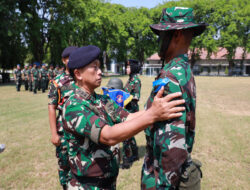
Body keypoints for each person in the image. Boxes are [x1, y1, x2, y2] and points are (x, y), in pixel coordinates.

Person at [62, 45, 185, 189]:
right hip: (85, 185)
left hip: (107, 183)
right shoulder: (74, 105)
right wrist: (152, 115)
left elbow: (128, 117)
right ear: (78, 74)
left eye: (99, 67)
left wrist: (156, 109)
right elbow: (108, 136)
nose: (100, 72)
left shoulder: (100, 99)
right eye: (94, 68)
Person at [141, 7, 208, 190]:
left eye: (162, 34)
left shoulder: (170, 76)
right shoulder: (183, 69)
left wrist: (164, 186)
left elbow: (171, 146)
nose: (159, 40)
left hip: (162, 179)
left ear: (176, 34)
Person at [48, 46, 78, 189]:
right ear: (64, 60)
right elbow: (52, 107)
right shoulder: (57, 82)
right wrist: (54, 134)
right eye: (69, 58)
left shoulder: (81, 77)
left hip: (83, 129)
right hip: (64, 132)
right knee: (65, 167)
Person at [122, 59, 141, 168]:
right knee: (129, 135)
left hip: (132, 110)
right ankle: (135, 154)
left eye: (128, 67)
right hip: (126, 110)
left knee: (125, 136)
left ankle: (127, 161)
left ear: (133, 68)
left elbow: (137, 97)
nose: (126, 69)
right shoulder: (130, 80)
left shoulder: (136, 80)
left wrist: (126, 97)